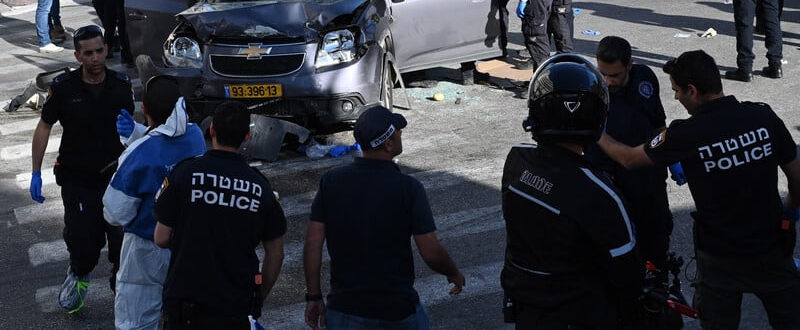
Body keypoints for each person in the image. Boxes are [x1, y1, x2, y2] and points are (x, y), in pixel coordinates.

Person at [598, 49, 800, 329]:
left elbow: (628, 158)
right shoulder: (762, 116)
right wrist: (789, 215)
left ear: (692, 90)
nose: (676, 97)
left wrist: (594, 130)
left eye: (678, 91)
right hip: (772, 249)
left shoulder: (685, 134)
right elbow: (798, 178)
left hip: (720, 259)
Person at [501, 54, 643, 329]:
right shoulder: (600, 193)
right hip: (578, 315)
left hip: (527, 309)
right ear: (599, 118)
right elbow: (630, 275)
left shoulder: (516, 158)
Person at [303, 105, 465, 330]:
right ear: (388, 143)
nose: (401, 134)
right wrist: (453, 272)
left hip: (344, 309)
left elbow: (312, 243)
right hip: (396, 311)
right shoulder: (408, 188)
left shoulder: (332, 180)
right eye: (398, 132)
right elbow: (430, 251)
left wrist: (313, 296)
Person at [154, 101, 287, 330]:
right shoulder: (260, 186)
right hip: (233, 306)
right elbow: (276, 253)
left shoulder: (185, 173)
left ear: (212, 130)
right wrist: (259, 296)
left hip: (185, 303)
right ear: (247, 136)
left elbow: (161, 237)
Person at [30, 24, 134, 312]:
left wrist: (136, 130)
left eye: (99, 51)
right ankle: (78, 274)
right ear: (77, 56)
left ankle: (122, 293)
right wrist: (36, 172)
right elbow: (44, 126)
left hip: (117, 179)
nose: (95, 58)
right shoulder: (64, 89)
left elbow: (137, 131)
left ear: (106, 50)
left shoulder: (121, 86)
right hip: (77, 180)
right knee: (84, 242)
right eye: (88, 53)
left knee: (122, 246)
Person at [103, 77, 205, 330]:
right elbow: (168, 141)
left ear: (145, 109)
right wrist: (137, 133)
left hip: (146, 249)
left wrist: (136, 141)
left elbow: (115, 212)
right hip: (189, 246)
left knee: (136, 321)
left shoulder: (140, 153)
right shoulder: (196, 137)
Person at [585, 36, 673, 276]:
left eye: (615, 75)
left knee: (656, 244)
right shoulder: (591, 89)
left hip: (648, 179)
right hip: (612, 184)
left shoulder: (645, 78)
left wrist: (668, 154)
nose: (608, 81)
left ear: (630, 65)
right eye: (603, 73)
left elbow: (658, 124)